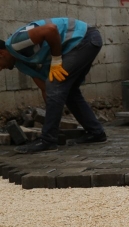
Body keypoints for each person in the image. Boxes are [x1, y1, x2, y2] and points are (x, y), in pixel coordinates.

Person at [0, 18, 107, 154]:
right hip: (83, 43)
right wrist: (53, 114)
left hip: (85, 38)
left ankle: (48, 141)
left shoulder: (16, 43)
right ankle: (96, 133)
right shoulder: (22, 63)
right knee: (68, 91)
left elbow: (50, 29)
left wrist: (56, 59)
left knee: (56, 85)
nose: (0, 69)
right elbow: (46, 88)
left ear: (1, 53)